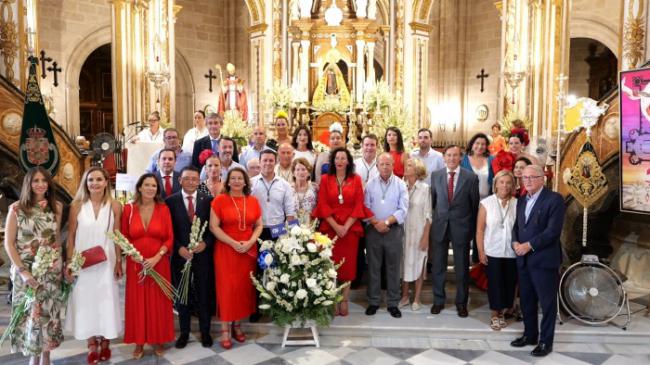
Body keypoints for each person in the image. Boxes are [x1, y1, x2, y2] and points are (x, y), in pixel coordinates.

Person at [4, 167, 63, 365]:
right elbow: (9, 243)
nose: (40, 184)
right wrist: (23, 271)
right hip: (26, 271)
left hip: (50, 271)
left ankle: (46, 356)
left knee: (48, 315)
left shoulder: (57, 207)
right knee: (30, 316)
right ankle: (33, 357)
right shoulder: (16, 208)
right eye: (35, 180)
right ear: (28, 183)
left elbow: (56, 241)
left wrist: (60, 266)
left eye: (44, 180)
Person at [64, 166, 122, 364]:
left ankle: (105, 342)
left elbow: (117, 236)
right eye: (91, 180)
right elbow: (70, 236)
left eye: (99, 179)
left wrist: (119, 262)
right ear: (85, 183)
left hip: (107, 261)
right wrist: (70, 262)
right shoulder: (77, 206)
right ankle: (91, 343)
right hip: (83, 261)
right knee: (86, 301)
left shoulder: (114, 205)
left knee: (107, 300)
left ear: (106, 182)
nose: (95, 183)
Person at [510, 165, 566, 357]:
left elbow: (552, 232)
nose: (527, 181)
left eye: (532, 177)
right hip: (523, 261)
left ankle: (545, 342)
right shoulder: (521, 200)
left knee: (547, 303)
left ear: (542, 178)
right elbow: (517, 226)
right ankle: (530, 335)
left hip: (543, 261)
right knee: (526, 302)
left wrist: (528, 245)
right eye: (524, 177)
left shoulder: (555, 199)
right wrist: (515, 241)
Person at [121, 173, 174, 359]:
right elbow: (124, 236)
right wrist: (133, 254)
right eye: (147, 185)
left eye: (154, 185)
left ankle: (159, 339)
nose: (151, 188)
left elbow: (169, 238)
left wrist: (157, 257)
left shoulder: (163, 209)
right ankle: (139, 341)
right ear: (140, 187)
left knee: (158, 302)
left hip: (158, 262)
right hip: (136, 263)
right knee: (137, 303)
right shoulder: (129, 209)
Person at [313, 147, 371, 316]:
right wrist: (336, 226)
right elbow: (323, 204)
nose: (339, 161)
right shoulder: (325, 179)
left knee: (348, 266)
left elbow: (359, 204)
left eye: (343, 158)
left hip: (350, 230)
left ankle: (344, 299)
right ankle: (332, 298)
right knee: (330, 265)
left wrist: (345, 226)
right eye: (337, 158)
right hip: (330, 229)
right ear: (333, 161)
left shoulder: (356, 179)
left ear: (348, 161)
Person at [210, 168, 263, 349]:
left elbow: (259, 225)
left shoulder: (253, 201)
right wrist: (233, 243)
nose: (237, 181)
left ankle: (237, 326)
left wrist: (250, 241)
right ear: (228, 181)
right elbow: (214, 227)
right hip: (226, 249)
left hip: (247, 251)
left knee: (241, 289)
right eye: (233, 178)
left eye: (240, 178)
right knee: (227, 289)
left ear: (246, 181)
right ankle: (225, 329)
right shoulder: (219, 200)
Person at [166, 166, 215, 349]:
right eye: (187, 178)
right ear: (180, 180)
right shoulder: (170, 202)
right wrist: (178, 248)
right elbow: (168, 230)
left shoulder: (208, 200)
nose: (191, 182)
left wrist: (205, 244)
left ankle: (205, 332)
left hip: (202, 256)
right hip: (180, 256)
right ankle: (184, 333)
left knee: (203, 294)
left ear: (199, 181)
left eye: (194, 179)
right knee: (182, 296)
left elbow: (213, 228)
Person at [430, 145, 480, 318]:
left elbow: (474, 206)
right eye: (448, 155)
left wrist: (472, 230)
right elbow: (434, 203)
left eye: (455, 155)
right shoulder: (436, 176)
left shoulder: (471, 178)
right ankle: (438, 300)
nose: (451, 158)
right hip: (440, 226)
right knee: (438, 267)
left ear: (461, 157)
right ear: (444, 157)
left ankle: (461, 303)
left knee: (461, 269)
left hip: (462, 228)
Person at [250, 149, 296, 322]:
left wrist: (291, 237)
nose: (268, 163)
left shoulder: (284, 185)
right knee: (257, 269)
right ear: (260, 162)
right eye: (265, 160)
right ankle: (255, 308)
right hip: (257, 230)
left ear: (275, 162)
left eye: (271, 160)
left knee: (277, 270)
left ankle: (277, 307)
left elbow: (290, 213)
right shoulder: (251, 183)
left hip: (278, 230)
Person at [363, 153, 409, 318]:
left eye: (388, 164)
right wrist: (376, 223)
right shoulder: (370, 184)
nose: (384, 167)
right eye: (381, 164)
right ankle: (374, 301)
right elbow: (365, 207)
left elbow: (403, 209)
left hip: (393, 230)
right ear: (377, 166)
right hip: (373, 230)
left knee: (393, 268)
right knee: (374, 267)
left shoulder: (400, 184)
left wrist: (387, 223)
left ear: (393, 165)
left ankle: (393, 303)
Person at [476, 170, 517, 331]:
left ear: (513, 185)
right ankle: (494, 314)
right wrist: (481, 251)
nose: (505, 185)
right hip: (492, 250)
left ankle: (503, 312)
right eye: (501, 182)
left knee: (509, 284)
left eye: (508, 182)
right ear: (496, 184)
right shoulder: (487, 203)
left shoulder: (517, 203)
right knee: (494, 284)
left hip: (512, 252)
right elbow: (479, 230)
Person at [399, 158, 431, 312]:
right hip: (403, 232)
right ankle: (404, 296)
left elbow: (428, 215)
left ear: (417, 170)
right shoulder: (400, 185)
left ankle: (417, 298)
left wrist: (425, 236)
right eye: (406, 164)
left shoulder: (425, 189)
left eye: (409, 165)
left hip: (419, 232)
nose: (406, 167)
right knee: (404, 264)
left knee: (419, 263)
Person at [461, 133, 495, 200]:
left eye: (483, 144)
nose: (480, 146)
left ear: (486, 146)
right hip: (467, 200)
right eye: (477, 143)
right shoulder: (463, 159)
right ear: (472, 144)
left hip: (488, 199)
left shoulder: (492, 160)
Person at [291, 157, 318, 225]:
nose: (301, 172)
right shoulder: (288, 189)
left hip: (310, 226)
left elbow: (319, 208)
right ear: (293, 173)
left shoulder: (315, 188)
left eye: (303, 169)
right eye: (297, 169)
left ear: (309, 173)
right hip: (291, 226)